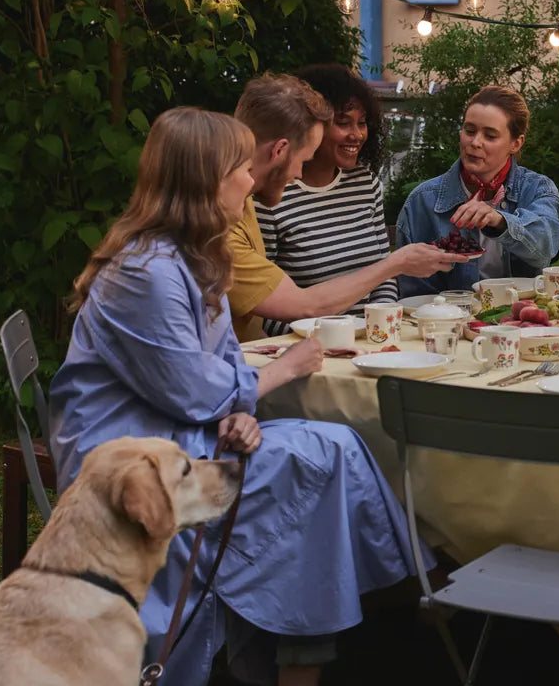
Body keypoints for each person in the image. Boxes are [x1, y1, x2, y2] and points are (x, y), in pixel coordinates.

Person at [48, 107, 428, 686]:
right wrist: (285, 371)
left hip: (183, 434)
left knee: (330, 449)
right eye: (239, 170)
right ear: (206, 180)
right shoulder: (146, 271)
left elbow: (220, 363)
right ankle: (382, 611)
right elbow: (194, 392)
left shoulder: (194, 253)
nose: (251, 180)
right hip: (130, 460)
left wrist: (242, 414)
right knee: (322, 458)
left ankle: (315, 642)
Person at [228, 73, 464, 340]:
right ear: (279, 150)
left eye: (362, 123)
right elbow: (299, 306)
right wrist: (396, 263)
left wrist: (378, 325)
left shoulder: (236, 207)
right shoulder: (226, 224)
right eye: (303, 158)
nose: (297, 174)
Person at [255, 64, 395, 335]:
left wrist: (379, 327)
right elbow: (262, 304)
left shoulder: (365, 184)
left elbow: (383, 275)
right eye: (343, 123)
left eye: (362, 122)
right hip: (304, 347)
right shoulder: (270, 196)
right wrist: (324, 337)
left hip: (370, 340)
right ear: (312, 127)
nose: (357, 134)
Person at [394, 84, 559, 296]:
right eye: (469, 131)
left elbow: (545, 248)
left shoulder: (537, 188)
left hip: (522, 319)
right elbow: (415, 295)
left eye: (490, 136)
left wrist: (499, 221)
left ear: (516, 143)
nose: (475, 143)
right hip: (449, 322)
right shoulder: (422, 202)